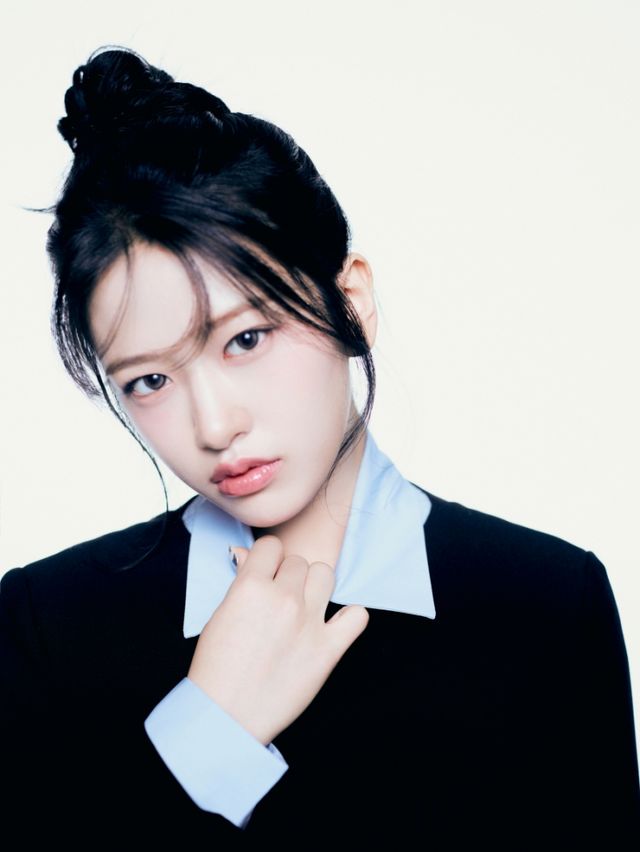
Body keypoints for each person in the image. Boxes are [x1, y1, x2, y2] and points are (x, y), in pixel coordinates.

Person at [1, 45, 638, 848]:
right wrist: (209, 729)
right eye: (149, 381)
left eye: (246, 339)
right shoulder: (49, 624)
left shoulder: (547, 604)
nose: (214, 426)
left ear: (351, 303)